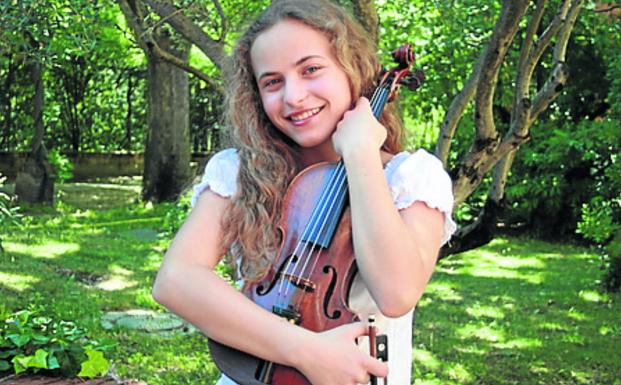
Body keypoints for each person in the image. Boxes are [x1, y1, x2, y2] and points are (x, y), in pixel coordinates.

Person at [152, 1, 456, 384]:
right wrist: (305, 349)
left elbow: (396, 293)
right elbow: (176, 279)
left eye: (311, 69)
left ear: (353, 68)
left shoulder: (409, 177)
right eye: (272, 82)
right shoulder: (241, 171)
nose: (293, 96)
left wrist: (360, 153)